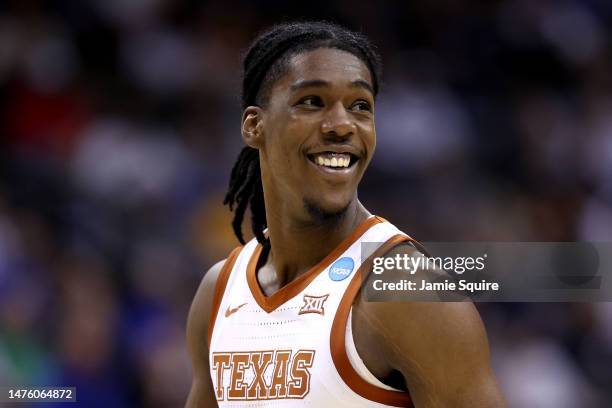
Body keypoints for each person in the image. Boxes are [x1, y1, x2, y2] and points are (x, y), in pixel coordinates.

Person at [185, 21, 505, 407]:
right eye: (312, 102)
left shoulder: (408, 291)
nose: (341, 125)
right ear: (255, 126)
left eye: (360, 106)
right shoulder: (218, 293)